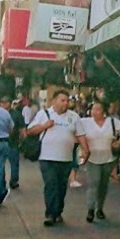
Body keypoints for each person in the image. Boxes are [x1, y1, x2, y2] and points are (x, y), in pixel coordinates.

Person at [22, 90, 80, 226]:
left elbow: (81, 134)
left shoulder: (74, 117)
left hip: (66, 158)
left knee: (61, 186)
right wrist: (44, 126)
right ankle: (50, 214)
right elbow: (30, 131)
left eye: (67, 101)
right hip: (47, 157)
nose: (65, 103)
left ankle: (58, 211)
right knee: (51, 184)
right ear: (54, 101)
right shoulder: (44, 114)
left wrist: (85, 150)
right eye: (62, 100)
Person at [76, 102, 120, 223]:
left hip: (108, 158)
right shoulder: (85, 122)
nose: (95, 111)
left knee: (103, 184)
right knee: (93, 183)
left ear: (104, 111)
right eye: (93, 109)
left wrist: (119, 142)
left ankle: (99, 208)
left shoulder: (113, 122)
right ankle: (90, 209)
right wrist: (82, 147)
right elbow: (76, 133)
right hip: (92, 157)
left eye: (98, 109)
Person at [6, 97, 26, 189]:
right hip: (13, 142)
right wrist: (21, 141)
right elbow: (22, 131)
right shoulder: (17, 115)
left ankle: (3, 181)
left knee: (0, 163)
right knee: (14, 163)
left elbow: (22, 130)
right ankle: (14, 181)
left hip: (5, 142)